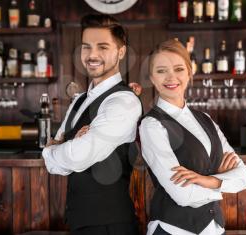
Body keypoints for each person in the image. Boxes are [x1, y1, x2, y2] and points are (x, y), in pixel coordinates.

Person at [42, 14, 142, 235]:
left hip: (110, 225)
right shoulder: (79, 100)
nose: (92, 54)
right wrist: (64, 150)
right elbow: (56, 165)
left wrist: (53, 149)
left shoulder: (123, 101)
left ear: (121, 52)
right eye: (86, 46)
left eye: (103, 47)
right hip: (80, 221)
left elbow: (78, 155)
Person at [139, 39, 246, 235]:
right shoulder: (151, 125)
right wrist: (222, 181)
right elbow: (183, 195)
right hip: (172, 230)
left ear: (189, 73)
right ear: (152, 78)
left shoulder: (205, 119)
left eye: (179, 69)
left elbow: (244, 177)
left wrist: (206, 180)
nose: (171, 77)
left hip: (215, 229)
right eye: (161, 70)